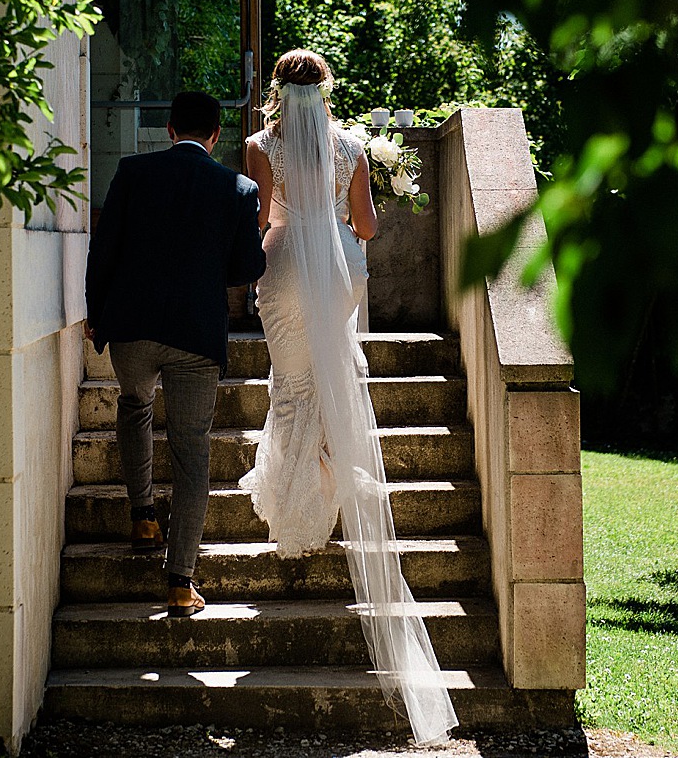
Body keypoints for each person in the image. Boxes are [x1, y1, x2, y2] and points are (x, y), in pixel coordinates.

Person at [239, 50, 459, 745]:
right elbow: (364, 226)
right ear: (326, 90)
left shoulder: (258, 146)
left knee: (292, 387)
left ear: (277, 92)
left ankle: (295, 508)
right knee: (328, 382)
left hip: (281, 268)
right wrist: (342, 209)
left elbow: (257, 221)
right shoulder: (353, 146)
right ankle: (325, 488)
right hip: (336, 270)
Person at [84, 90, 266, 618]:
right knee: (192, 451)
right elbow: (246, 269)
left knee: (134, 405)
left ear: (169, 129)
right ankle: (180, 582)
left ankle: (142, 515)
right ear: (214, 136)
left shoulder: (131, 172)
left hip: (133, 329)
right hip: (196, 335)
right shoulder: (238, 187)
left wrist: (98, 312)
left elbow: (105, 248)